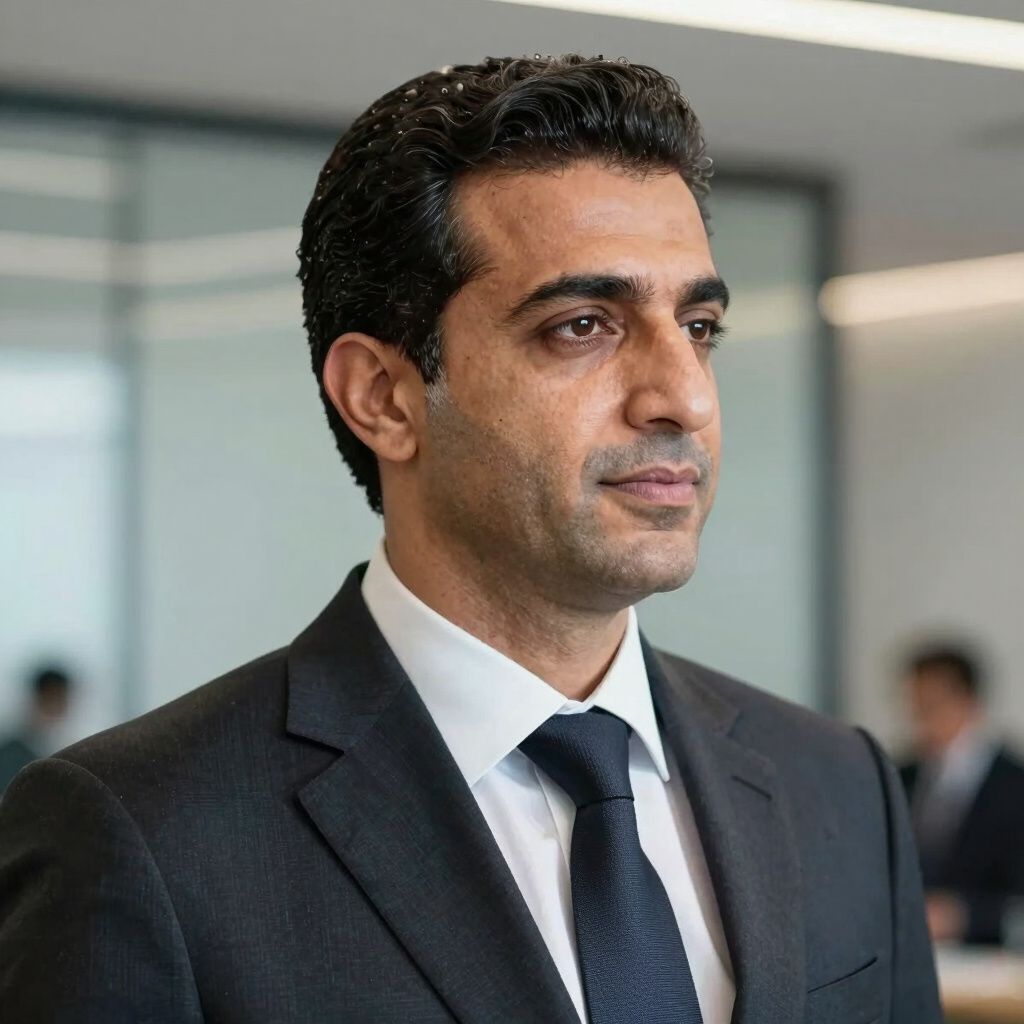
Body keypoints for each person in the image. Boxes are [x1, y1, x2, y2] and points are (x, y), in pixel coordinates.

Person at [0, 55, 941, 1023]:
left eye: (697, 325)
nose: (685, 397)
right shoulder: (143, 834)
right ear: (383, 397)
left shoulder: (838, 789)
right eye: (583, 325)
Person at [898, 641, 1024, 947]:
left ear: (968, 701)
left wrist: (963, 916)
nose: (921, 721)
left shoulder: (1014, 784)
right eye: (916, 707)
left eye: (931, 705)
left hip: (988, 963)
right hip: (910, 953)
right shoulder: (902, 775)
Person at [0, 664, 74, 794]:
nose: (54, 709)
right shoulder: (10, 752)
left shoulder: (68, 747)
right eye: (50, 700)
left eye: (60, 701)